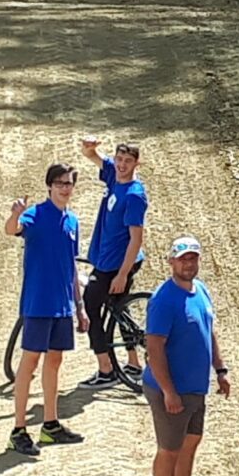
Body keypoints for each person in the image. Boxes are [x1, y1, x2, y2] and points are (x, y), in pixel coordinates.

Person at [143, 236, 230, 476]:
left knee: (190, 442)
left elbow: (209, 331)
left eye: (193, 258)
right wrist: (169, 391)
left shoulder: (201, 290)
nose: (188, 264)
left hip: (195, 387)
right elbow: (154, 348)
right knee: (169, 448)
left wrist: (220, 369)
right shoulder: (164, 299)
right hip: (171, 389)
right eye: (182, 259)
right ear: (171, 262)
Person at [4, 164, 89, 456]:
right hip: (38, 303)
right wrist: (15, 213)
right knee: (29, 364)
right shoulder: (35, 215)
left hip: (62, 305)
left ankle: (50, 424)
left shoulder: (73, 222)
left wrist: (80, 307)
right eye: (60, 183)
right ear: (50, 186)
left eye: (69, 183)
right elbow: (11, 230)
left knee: (55, 362)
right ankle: (18, 430)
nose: (65, 188)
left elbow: (71, 267)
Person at [77, 138, 147, 388]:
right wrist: (90, 148)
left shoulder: (134, 196)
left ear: (137, 163)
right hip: (107, 259)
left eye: (128, 161)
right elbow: (93, 157)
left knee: (90, 308)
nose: (121, 165)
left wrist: (122, 275)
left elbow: (136, 239)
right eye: (119, 159)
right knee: (119, 309)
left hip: (115, 265)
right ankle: (133, 364)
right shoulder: (114, 177)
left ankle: (106, 370)